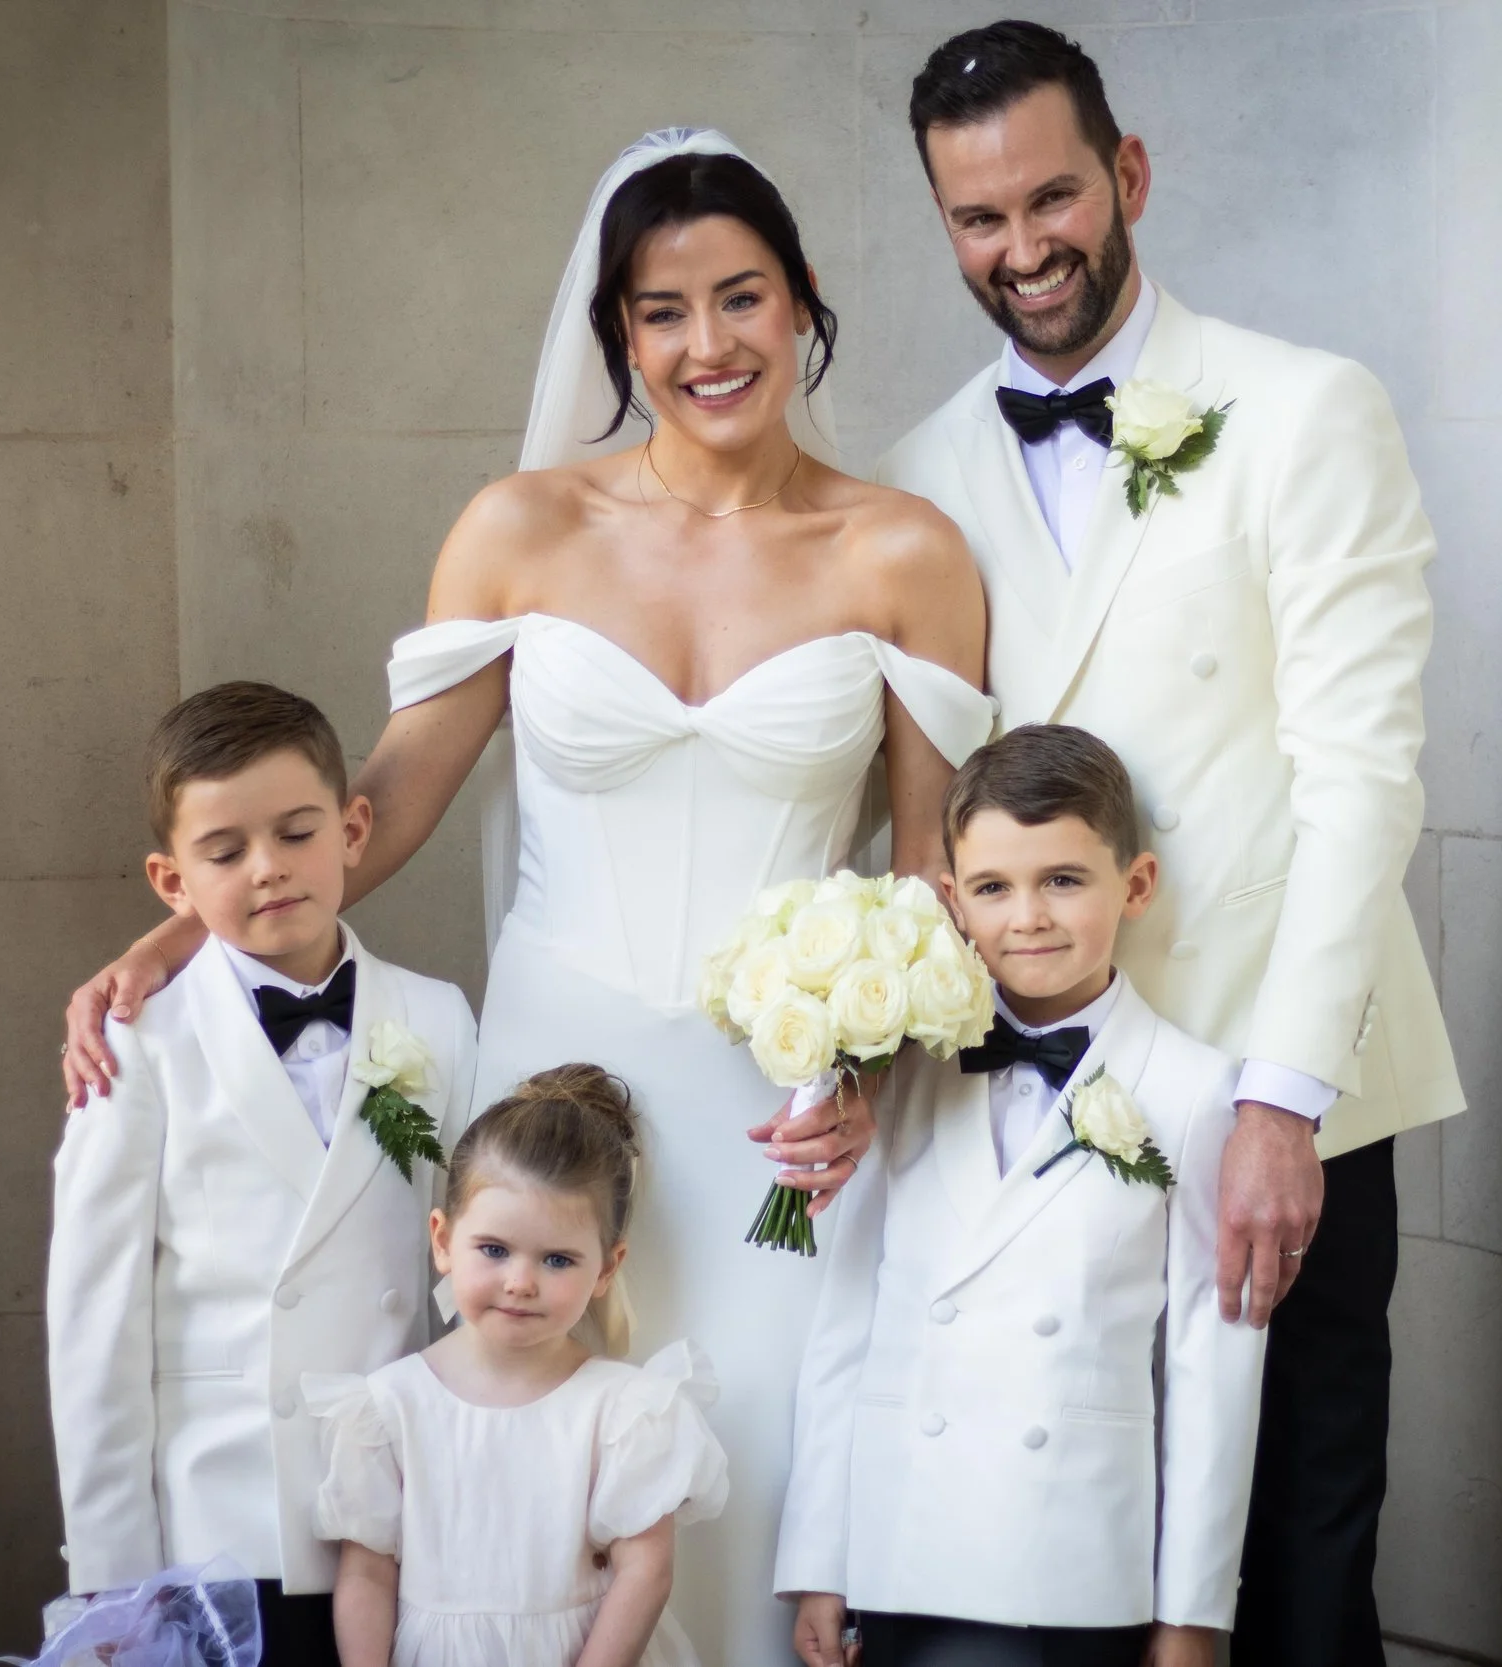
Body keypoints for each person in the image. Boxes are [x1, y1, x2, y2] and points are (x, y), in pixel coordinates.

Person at [58, 130, 995, 1665]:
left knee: (746, 1491)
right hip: (555, 1080)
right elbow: (387, 796)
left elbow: (932, 875)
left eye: (741, 297)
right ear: (617, 332)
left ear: (804, 301)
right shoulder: (519, 529)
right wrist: (189, 924)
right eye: (663, 311)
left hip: (781, 1119)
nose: (707, 345)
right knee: (528, 1491)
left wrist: (873, 1074)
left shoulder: (902, 550)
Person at [879, 24, 1468, 1666]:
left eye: (1053, 195)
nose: (1024, 247)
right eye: (978, 218)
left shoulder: (1303, 409)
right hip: (1043, 1102)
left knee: (1292, 1561)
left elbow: (1364, 779)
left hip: (1287, 1075)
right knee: (1077, 1578)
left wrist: (1286, 1095)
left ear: (1126, 174)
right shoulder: (916, 481)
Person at [778, 725, 1266, 1667]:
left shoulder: (1194, 1088)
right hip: (903, 1544)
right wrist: (818, 1561)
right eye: (995, 888)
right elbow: (845, 1322)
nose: (1029, 916)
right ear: (953, 900)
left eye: (1064, 880)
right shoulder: (898, 1068)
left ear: (1136, 885)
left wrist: (1194, 1615)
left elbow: (1211, 1375)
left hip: (1075, 1565)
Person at [47, 682, 480, 1667]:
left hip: (400, 1511)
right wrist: (111, 1568)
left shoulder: (438, 1016)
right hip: (221, 1520)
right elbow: (94, 1317)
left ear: (354, 827)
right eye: (225, 849)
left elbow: (467, 1268)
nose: (269, 869)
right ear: (171, 880)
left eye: (295, 832)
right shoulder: (140, 1043)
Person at [303, 1065, 730, 1667]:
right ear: (443, 1240)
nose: (521, 1283)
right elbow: (368, 1574)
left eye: (558, 1259)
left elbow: (646, 1571)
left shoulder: (626, 1411)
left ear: (607, 1268)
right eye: (495, 1250)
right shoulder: (389, 1406)